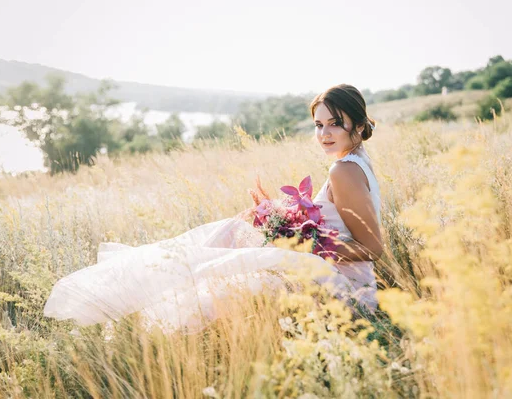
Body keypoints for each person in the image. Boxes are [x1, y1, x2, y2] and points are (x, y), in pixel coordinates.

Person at [43, 83, 384, 332]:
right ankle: (149, 286)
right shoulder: (354, 161)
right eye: (318, 125)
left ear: (355, 123)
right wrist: (284, 225)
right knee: (232, 232)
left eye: (334, 123)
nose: (324, 133)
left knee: (233, 266)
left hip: (347, 288)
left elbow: (371, 249)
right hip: (339, 275)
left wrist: (301, 241)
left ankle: (141, 295)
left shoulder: (344, 170)